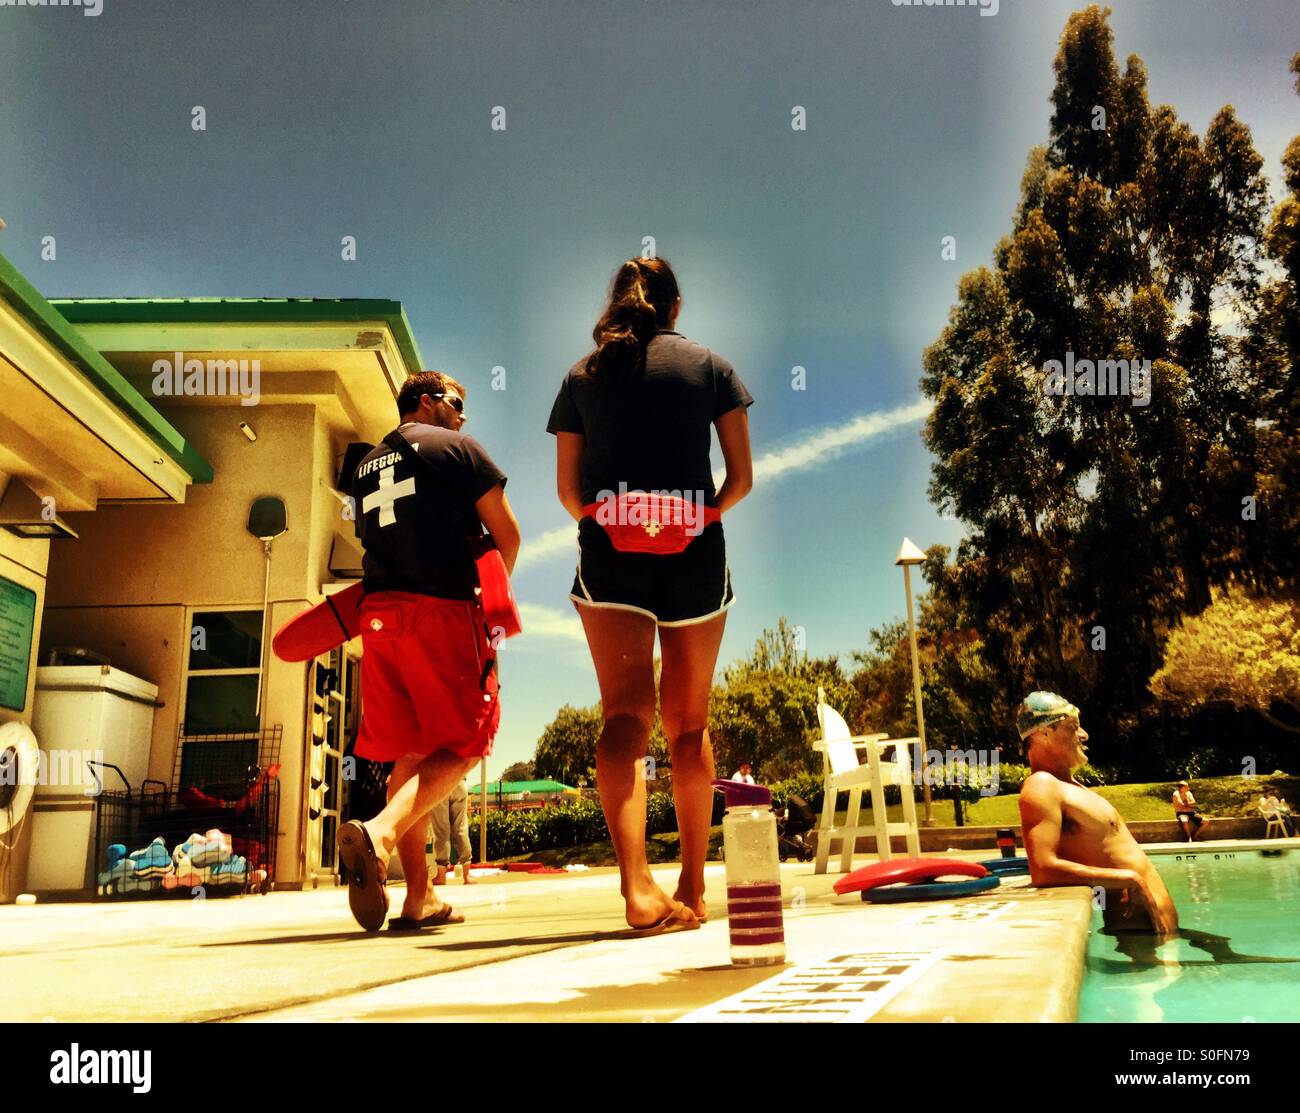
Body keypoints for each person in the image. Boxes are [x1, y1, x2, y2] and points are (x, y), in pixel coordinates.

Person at [547, 256, 753, 935]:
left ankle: (637, 885)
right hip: (693, 554)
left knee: (623, 719)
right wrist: (697, 516)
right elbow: (740, 479)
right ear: (676, 304)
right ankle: (693, 885)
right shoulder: (712, 367)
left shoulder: (583, 375)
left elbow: (569, 494)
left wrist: (614, 520)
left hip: (610, 561)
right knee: (688, 727)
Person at [339, 371, 520, 932]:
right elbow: (507, 536)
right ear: (425, 402)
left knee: (410, 754)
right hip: (440, 609)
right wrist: (489, 608)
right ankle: (381, 831)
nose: (463, 416)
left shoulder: (364, 465)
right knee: (471, 740)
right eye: (456, 402)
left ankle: (420, 898)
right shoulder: (459, 450)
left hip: (379, 616)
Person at [1016, 692, 1178, 936]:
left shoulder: (1073, 787)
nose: (1083, 735)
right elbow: (1042, 869)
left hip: (1155, 929)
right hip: (1137, 936)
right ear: (1045, 733)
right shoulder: (1041, 786)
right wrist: (1128, 879)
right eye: (1073, 727)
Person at [430, 777, 477, 883]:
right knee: (461, 827)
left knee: (441, 830)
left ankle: (441, 875)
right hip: (459, 780)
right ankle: (467, 875)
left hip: (439, 781)